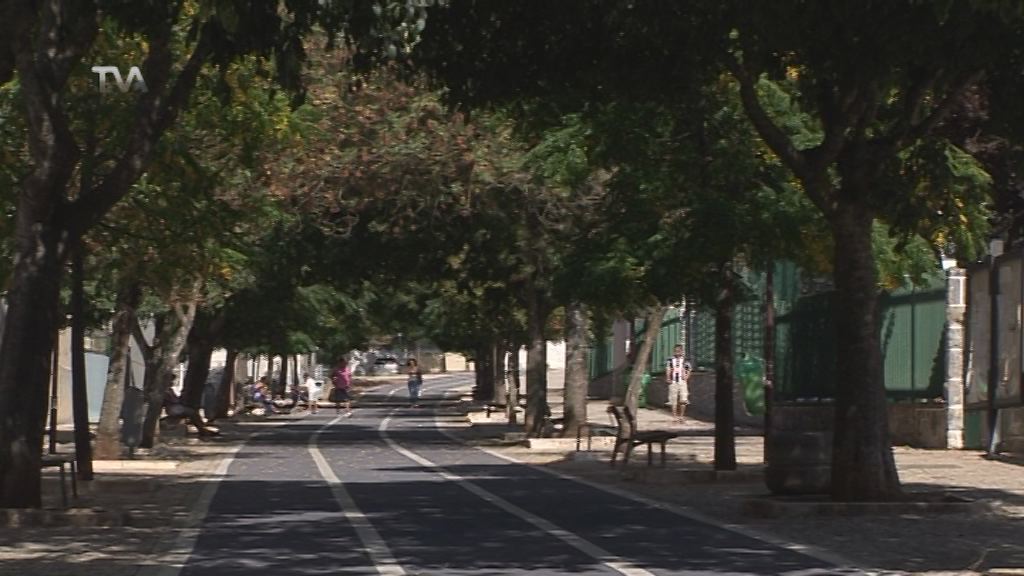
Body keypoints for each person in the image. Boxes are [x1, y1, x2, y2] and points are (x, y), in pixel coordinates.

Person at [666, 344, 691, 424]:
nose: (677, 352)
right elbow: (668, 369)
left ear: (682, 351)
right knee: (673, 400)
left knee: (683, 400)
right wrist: (668, 378)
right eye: (676, 351)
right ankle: (675, 417)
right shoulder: (670, 360)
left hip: (682, 382)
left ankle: (681, 417)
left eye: (679, 351)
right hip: (673, 382)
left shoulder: (685, 360)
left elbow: (689, 370)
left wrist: (686, 377)